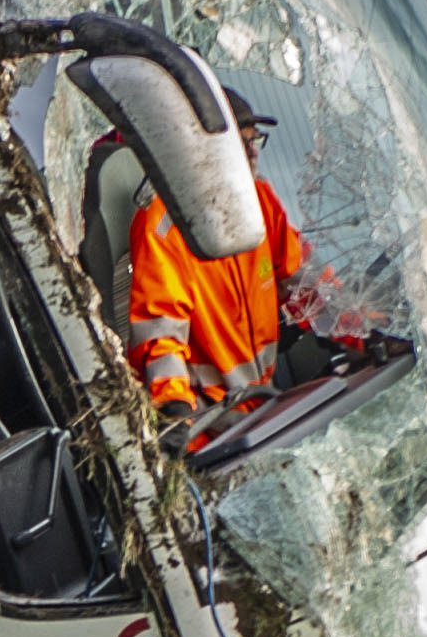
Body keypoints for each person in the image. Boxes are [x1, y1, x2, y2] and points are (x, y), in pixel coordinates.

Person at [118, 90, 345, 448]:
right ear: (203, 150)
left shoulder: (262, 203)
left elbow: (309, 283)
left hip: (266, 416)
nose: (254, 152)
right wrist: (172, 407)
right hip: (205, 436)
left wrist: (362, 326)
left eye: (256, 141)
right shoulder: (162, 225)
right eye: (241, 142)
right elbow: (160, 330)